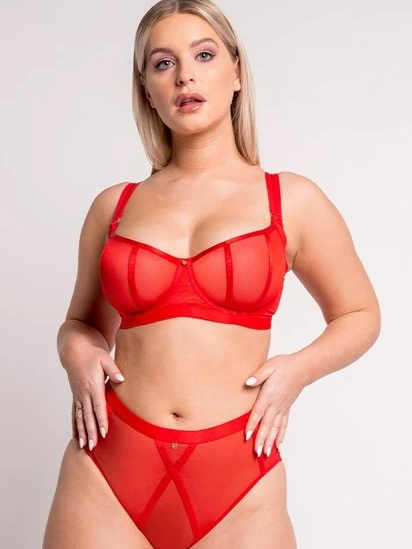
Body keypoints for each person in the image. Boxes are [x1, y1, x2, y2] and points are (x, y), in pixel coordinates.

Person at [42, 1, 381, 548]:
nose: (185, 76)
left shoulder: (291, 200)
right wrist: (77, 351)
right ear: (147, 90)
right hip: (108, 466)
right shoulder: (114, 207)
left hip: (239, 474)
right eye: (163, 63)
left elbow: (360, 314)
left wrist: (297, 371)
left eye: (204, 55)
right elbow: (80, 324)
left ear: (237, 73)